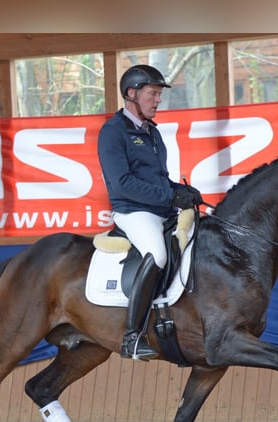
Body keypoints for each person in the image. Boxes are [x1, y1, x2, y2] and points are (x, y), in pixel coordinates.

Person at [97, 64, 201, 361]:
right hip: (133, 212)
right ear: (131, 94)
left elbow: (156, 178)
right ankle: (131, 336)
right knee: (158, 254)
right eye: (153, 94)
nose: (158, 100)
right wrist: (170, 194)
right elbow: (124, 183)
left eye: (158, 94)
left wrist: (183, 192)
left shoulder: (152, 132)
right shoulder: (113, 132)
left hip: (160, 209)